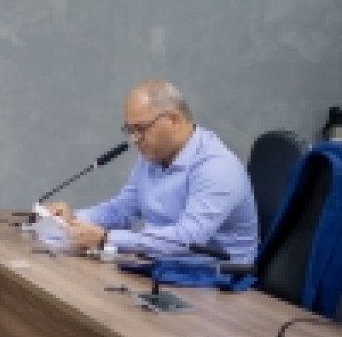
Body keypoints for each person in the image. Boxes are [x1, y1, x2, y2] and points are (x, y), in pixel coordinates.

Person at [47, 79, 259, 263]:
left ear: (174, 120)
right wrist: (71, 220)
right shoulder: (154, 156)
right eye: (130, 130)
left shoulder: (216, 166)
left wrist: (107, 238)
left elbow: (188, 239)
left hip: (217, 281)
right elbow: (121, 210)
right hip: (163, 266)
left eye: (140, 129)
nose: (134, 139)